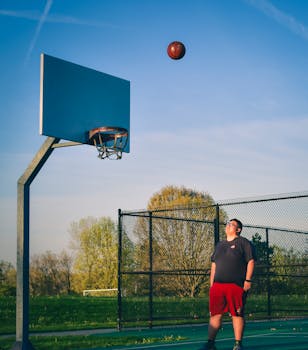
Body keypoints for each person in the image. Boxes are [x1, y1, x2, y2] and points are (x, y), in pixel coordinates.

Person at [200, 218, 256, 350]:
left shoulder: (244, 243)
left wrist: (248, 280)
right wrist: (212, 285)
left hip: (236, 286)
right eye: (227, 224)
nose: (228, 226)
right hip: (218, 287)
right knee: (215, 315)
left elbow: (251, 261)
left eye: (232, 224)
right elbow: (214, 264)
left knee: (237, 314)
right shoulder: (220, 245)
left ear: (238, 229)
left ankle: (238, 344)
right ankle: (210, 343)